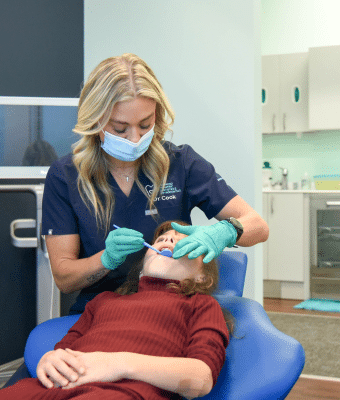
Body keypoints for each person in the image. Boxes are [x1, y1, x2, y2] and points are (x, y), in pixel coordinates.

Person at [41, 53, 269, 316]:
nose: (135, 138)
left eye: (145, 124)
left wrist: (227, 231)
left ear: (157, 117)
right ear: (95, 120)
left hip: (172, 306)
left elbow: (258, 227)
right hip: (100, 311)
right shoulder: (66, 176)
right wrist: (105, 260)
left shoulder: (181, 164)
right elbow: (64, 278)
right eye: (120, 128)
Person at [0, 221, 231, 400]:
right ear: (143, 269)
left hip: (121, 392)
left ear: (202, 277)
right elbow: (64, 351)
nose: (167, 239)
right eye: (161, 239)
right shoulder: (105, 300)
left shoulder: (201, 305)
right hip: (54, 387)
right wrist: (50, 359)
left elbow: (200, 379)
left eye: (183, 241)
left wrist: (118, 364)